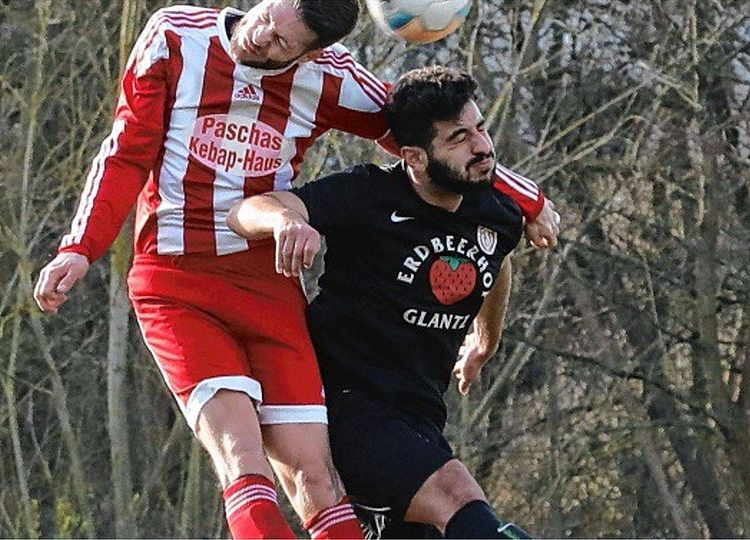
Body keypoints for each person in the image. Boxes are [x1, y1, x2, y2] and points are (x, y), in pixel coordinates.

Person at [33, 0, 557, 537]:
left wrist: (527, 200)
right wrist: (81, 247)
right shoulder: (174, 36)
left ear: (311, 55)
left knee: (316, 479)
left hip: (269, 288)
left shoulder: (328, 78)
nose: (261, 39)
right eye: (267, 17)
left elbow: (424, 134)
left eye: (283, 44)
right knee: (243, 460)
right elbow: (126, 149)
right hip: (176, 285)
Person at [228, 66, 547, 538]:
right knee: (457, 496)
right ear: (415, 157)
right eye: (459, 137)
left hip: (419, 414)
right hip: (343, 403)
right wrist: (286, 223)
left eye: (480, 128)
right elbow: (244, 211)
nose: (481, 146)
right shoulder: (367, 195)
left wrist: (487, 337)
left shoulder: (495, 211)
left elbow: (496, 261)